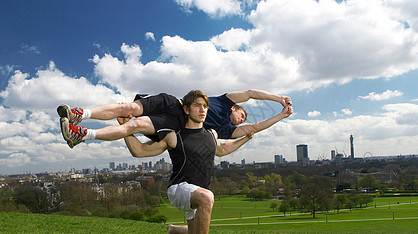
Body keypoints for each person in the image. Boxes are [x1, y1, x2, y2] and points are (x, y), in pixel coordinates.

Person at [116, 90, 262, 234]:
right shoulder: (174, 135)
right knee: (207, 197)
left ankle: (173, 229)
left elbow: (223, 151)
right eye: (197, 106)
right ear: (186, 110)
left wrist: (246, 138)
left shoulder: (211, 134)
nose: (202, 110)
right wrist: (125, 129)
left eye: (205, 107)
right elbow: (139, 151)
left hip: (195, 193)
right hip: (178, 189)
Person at [58, 89, 292, 148]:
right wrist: (277, 98)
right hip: (173, 103)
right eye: (242, 115)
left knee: (135, 125)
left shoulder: (224, 130)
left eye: (243, 120)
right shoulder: (224, 100)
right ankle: (81, 114)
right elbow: (251, 94)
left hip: (176, 123)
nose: (242, 120)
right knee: (128, 107)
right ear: (235, 108)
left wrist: (281, 115)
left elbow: (257, 127)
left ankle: (81, 134)